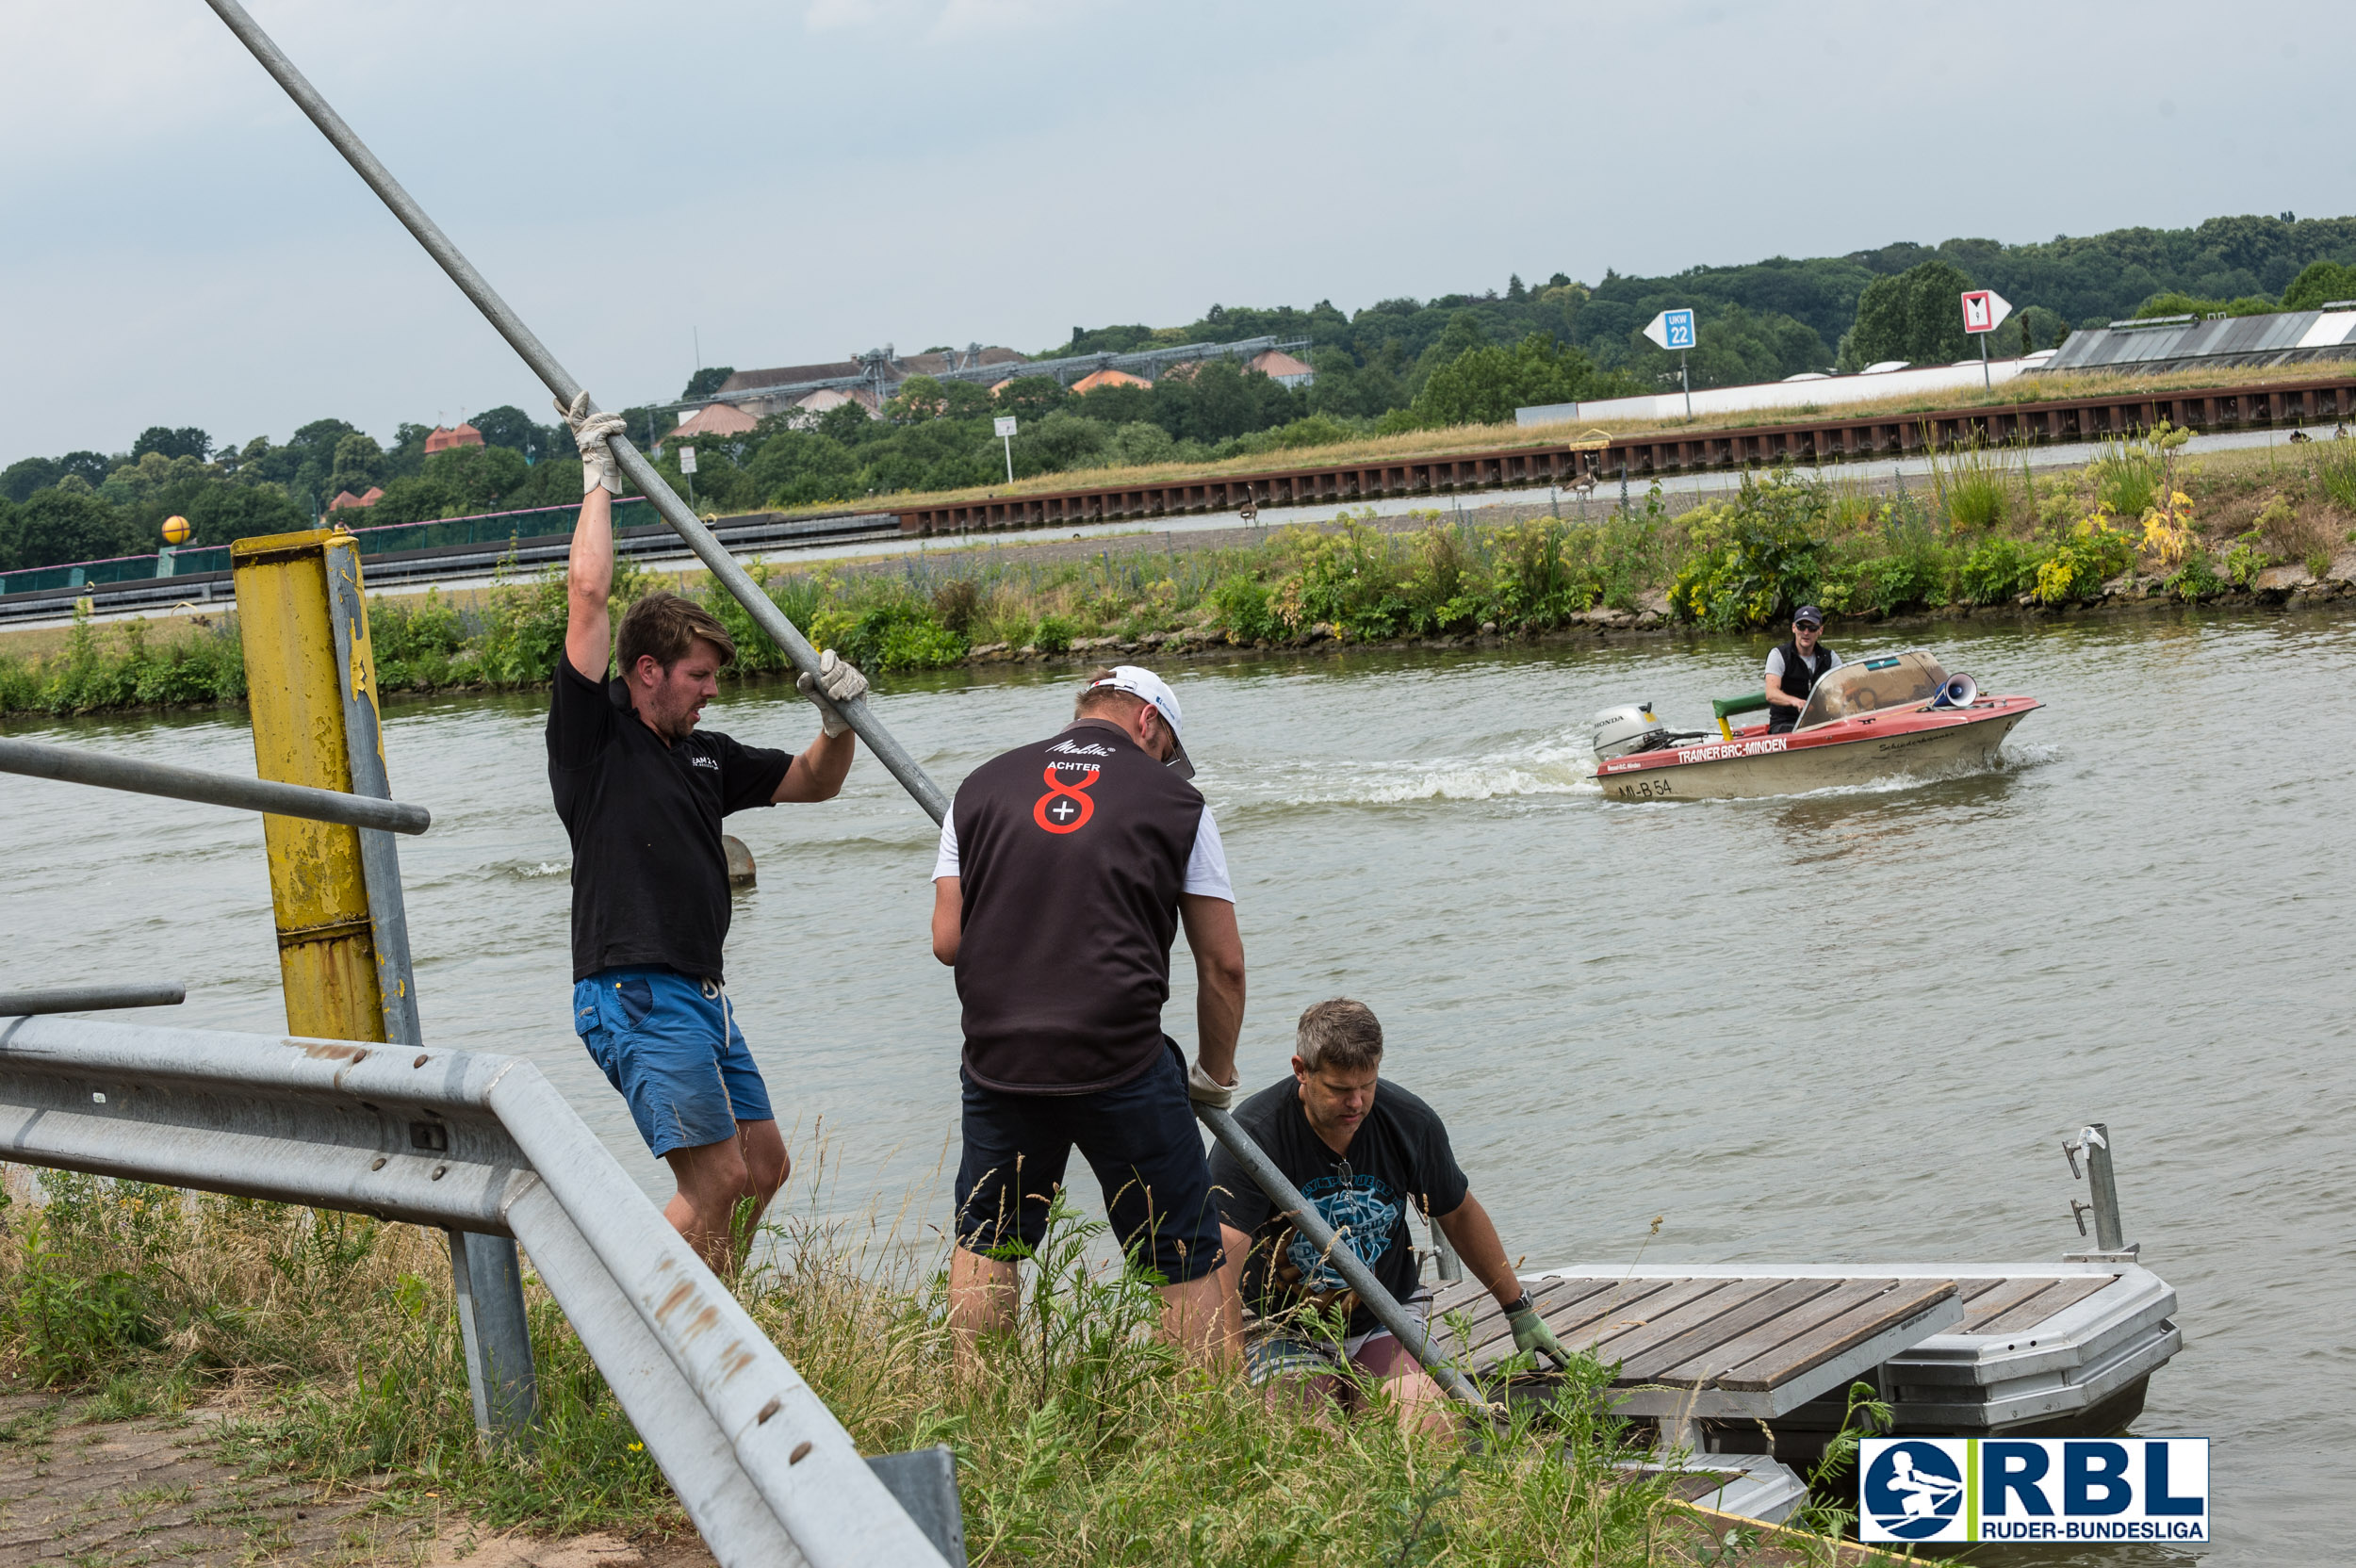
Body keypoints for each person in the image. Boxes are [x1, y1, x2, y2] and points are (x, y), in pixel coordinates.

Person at [547, 393, 870, 1267]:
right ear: (647, 670)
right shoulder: (597, 739)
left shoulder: (707, 756)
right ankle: (639, 1314)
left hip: (701, 995)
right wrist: (597, 477)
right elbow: (587, 593)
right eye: (698, 677)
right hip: (633, 991)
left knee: (763, 1166)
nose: (712, 691)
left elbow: (813, 786)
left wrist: (836, 726)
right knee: (716, 1181)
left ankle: (709, 1306)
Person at [931, 665, 1246, 1366]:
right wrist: (1214, 1072)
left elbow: (947, 942)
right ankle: (1213, 1433)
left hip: (1000, 1060)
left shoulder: (978, 786)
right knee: (1183, 1255)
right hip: (1122, 1060)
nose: (1165, 763)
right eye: (1166, 748)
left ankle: (979, 1408)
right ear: (1148, 723)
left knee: (991, 1236)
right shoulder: (1179, 802)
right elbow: (1223, 965)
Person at [1211, 999, 1566, 1429]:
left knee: (1425, 1422)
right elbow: (1223, 1252)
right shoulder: (1253, 1136)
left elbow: (1458, 1213)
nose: (1357, 1103)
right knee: (1303, 1432)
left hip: (1387, 1315)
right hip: (1285, 1326)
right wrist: (1225, 1358)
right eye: (1340, 1089)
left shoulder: (1408, 1121)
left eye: (1368, 1085)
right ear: (1301, 1070)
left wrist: (1519, 1309)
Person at [1763, 605, 1841, 733]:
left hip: (1820, 721)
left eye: (1812, 628)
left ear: (1820, 630)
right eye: (1801, 627)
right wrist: (1795, 702)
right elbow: (1771, 693)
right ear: (1794, 628)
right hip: (1785, 723)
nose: (1806, 632)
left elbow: (1844, 688)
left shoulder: (1830, 657)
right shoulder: (1778, 655)